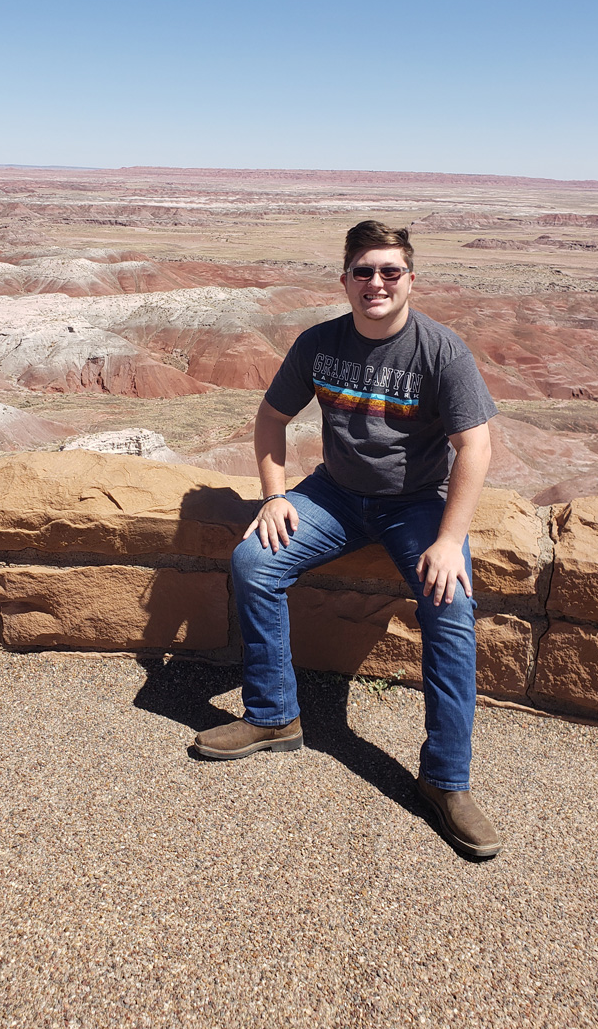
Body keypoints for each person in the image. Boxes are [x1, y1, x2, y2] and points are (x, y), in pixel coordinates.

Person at [194, 219, 501, 859]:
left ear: (410, 279)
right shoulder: (319, 344)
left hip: (417, 504)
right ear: (345, 280)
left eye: (390, 271)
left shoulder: (441, 351)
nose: (376, 283)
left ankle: (447, 780)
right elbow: (272, 417)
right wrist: (276, 496)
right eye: (364, 271)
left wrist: (449, 540)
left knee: (449, 608)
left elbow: (474, 445)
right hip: (333, 494)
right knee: (254, 561)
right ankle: (275, 716)